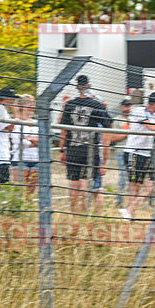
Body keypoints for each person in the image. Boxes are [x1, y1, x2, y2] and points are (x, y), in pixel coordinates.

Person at [119, 92, 155, 220]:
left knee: (149, 187)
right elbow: (152, 127)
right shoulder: (139, 111)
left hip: (146, 153)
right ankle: (130, 215)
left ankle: (128, 211)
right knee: (134, 185)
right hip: (133, 152)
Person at [58, 75, 112, 214]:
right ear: (89, 85)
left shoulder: (69, 105)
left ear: (77, 87)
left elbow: (63, 129)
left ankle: (74, 212)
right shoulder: (96, 104)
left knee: (74, 180)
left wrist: (62, 149)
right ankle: (86, 210)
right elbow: (109, 125)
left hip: (73, 146)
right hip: (90, 148)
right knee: (88, 180)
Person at [101, 99, 133, 206]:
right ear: (121, 107)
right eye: (125, 106)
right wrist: (125, 134)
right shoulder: (116, 121)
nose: (127, 108)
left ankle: (130, 201)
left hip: (133, 151)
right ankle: (119, 200)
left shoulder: (133, 119)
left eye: (129, 106)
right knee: (123, 176)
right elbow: (112, 138)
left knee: (132, 177)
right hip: (121, 151)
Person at [10, 93, 39, 197]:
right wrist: (33, 141)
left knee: (31, 191)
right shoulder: (16, 122)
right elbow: (18, 140)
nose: (32, 108)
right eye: (30, 105)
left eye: (33, 105)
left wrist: (28, 138)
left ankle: (28, 210)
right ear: (22, 106)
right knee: (19, 189)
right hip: (20, 158)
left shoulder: (36, 123)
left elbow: (42, 141)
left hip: (35, 159)